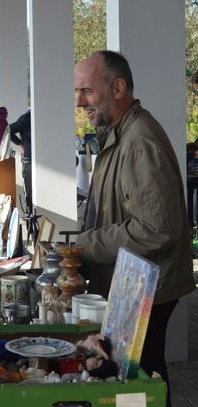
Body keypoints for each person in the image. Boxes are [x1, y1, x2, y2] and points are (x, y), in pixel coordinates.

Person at [74, 50, 195, 406]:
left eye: (87, 91)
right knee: (138, 382)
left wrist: (86, 244)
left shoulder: (139, 140)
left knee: (143, 384)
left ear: (118, 88)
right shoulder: (120, 132)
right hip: (134, 282)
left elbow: (157, 228)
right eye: (78, 92)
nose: (80, 101)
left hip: (146, 288)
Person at [9, 109, 32, 214]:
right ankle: (32, 227)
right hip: (29, 161)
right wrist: (20, 144)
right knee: (30, 196)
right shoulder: (27, 118)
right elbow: (8, 130)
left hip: (35, 160)